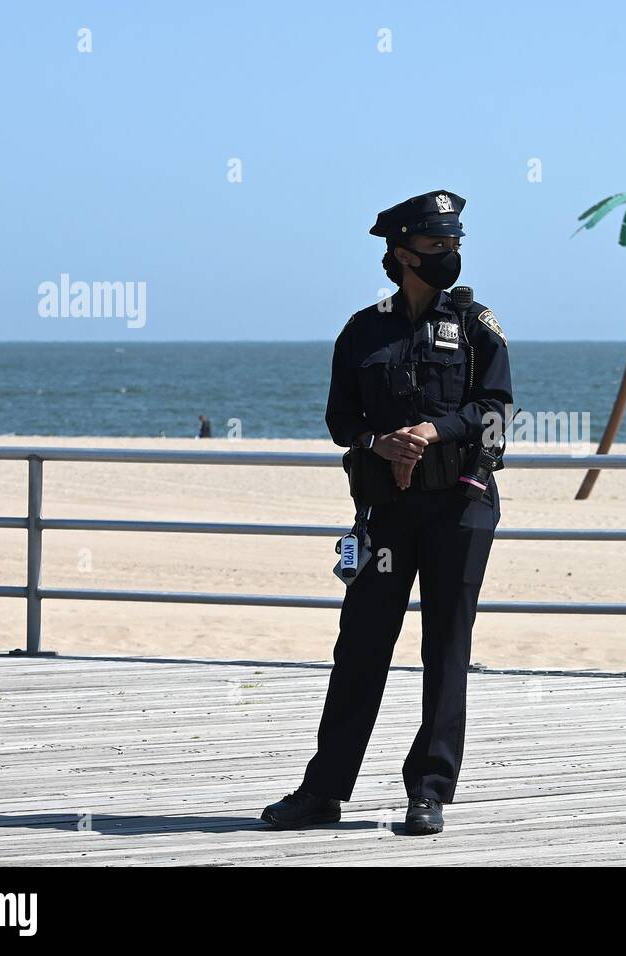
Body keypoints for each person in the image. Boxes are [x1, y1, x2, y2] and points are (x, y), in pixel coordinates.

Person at [262, 190, 512, 836]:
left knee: (446, 650)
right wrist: (379, 441)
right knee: (361, 647)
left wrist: (431, 431)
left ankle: (428, 792)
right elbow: (340, 419)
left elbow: (495, 410)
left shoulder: (477, 325)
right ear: (401, 253)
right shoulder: (362, 330)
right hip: (387, 509)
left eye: (454, 244)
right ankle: (322, 792)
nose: (448, 254)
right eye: (435, 245)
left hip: (460, 505)